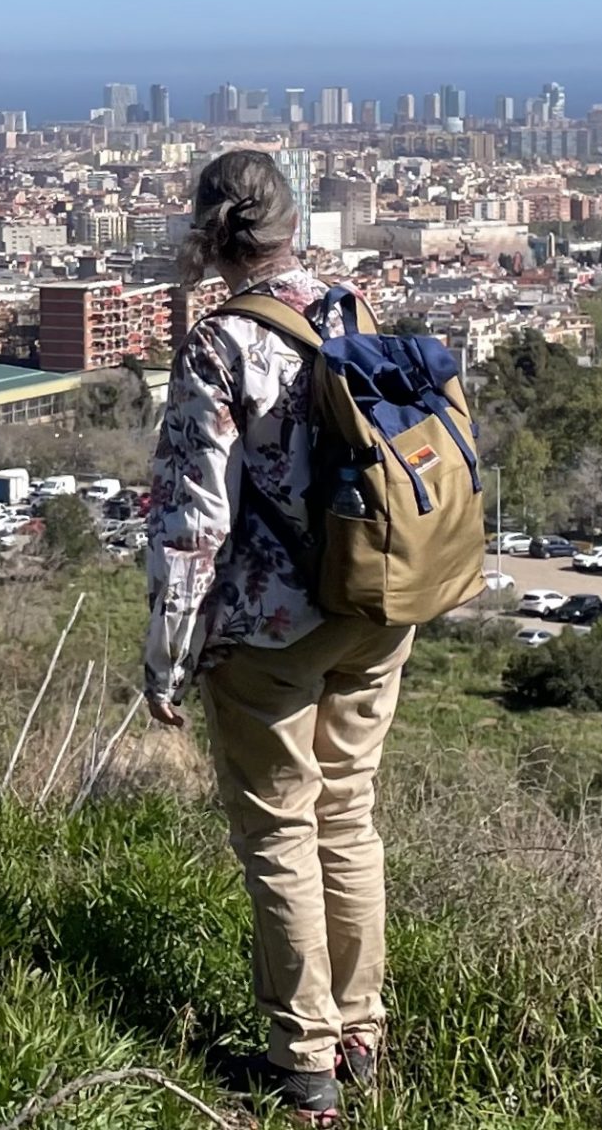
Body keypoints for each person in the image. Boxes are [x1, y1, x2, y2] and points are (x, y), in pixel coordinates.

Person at [142, 149, 406, 1127]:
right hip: (375, 605)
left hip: (270, 624)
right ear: (292, 221)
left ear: (211, 232)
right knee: (348, 813)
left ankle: (303, 1069)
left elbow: (190, 523)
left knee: (279, 830)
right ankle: (360, 1036)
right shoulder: (351, 307)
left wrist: (166, 658)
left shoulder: (217, 346)